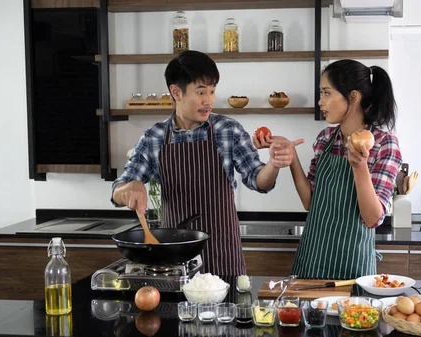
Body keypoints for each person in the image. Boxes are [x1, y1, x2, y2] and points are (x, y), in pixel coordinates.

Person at [111, 50, 298, 276]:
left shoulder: (227, 130)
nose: (208, 100)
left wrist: (273, 165)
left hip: (224, 258)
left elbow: (259, 180)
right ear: (176, 92)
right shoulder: (154, 138)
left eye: (212, 91)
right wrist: (129, 188)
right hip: (175, 263)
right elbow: (117, 191)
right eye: (201, 92)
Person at [256, 59, 402, 279]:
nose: (320, 102)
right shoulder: (325, 139)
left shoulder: (383, 144)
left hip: (353, 266)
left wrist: (360, 167)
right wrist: (292, 156)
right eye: (320, 94)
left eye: (326, 93)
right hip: (312, 260)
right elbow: (310, 202)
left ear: (353, 97)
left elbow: (372, 218)